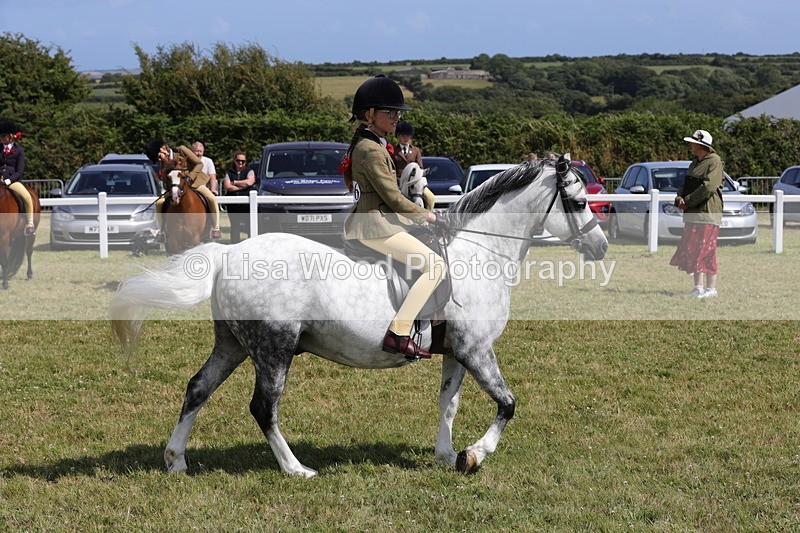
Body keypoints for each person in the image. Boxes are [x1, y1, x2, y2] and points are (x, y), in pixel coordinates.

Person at [342, 75, 445, 360]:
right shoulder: (371, 150)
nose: (395, 117)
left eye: (397, 113)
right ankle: (399, 333)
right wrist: (427, 216)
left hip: (375, 221)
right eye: (389, 112)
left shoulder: (371, 144)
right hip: (374, 227)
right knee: (435, 267)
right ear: (369, 115)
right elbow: (392, 197)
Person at [669, 129, 724, 298]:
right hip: (693, 214)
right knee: (693, 249)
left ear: (701, 145)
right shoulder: (694, 163)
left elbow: (708, 187)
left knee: (706, 250)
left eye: (693, 143)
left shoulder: (714, 161)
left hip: (708, 213)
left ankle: (711, 289)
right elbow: (685, 185)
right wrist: (679, 199)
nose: (691, 145)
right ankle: (698, 287)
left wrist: (689, 200)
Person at [145, 139, 221, 240]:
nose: (159, 160)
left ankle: (215, 228)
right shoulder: (164, 163)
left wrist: (189, 177)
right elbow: (165, 183)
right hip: (175, 188)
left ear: (163, 149)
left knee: (211, 198)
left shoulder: (181, 150)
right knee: (159, 202)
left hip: (194, 183)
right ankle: (161, 231)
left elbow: (199, 164)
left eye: (159, 156)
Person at [0, 120, 35, 235]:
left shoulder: (19, 151)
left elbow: (19, 171)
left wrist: (8, 180)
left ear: (10, 136)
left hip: (12, 180)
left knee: (27, 197)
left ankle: (30, 224)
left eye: (3, 135)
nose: (1, 138)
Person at [392, 120, 434, 211]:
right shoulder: (393, 151)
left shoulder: (416, 150)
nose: (406, 138)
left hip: (414, 182)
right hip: (399, 182)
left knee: (430, 197)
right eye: (403, 136)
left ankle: (428, 218)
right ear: (398, 136)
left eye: (408, 136)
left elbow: (420, 167)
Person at [222, 150, 257, 243]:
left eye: (243, 161)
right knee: (234, 226)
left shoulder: (250, 171)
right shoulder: (229, 173)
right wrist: (243, 186)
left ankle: (251, 245)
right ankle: (234, 244)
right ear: (234, 161)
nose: (240, 163)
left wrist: (235, 183)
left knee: (249, 226)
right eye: (238, 160)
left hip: (247, 206)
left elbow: (250, 182)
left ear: (246, 162)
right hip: (232, 205)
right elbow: (227, 186)